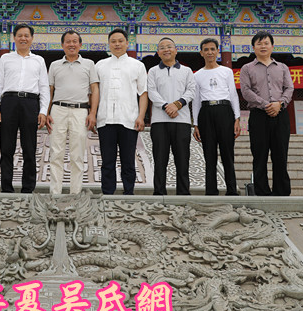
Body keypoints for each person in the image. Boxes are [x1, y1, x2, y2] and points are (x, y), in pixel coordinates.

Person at [0, 24, 50, 193]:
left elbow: (44, 87)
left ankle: (28, 188)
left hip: (30, 103)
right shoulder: (5, 58)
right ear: (14, 38)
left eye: (26, 35)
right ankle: (6, 188)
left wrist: (43, 111)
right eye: (20, 35)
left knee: (29, 148)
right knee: (6, 148)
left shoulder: (39, 60)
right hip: (9, 102)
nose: (23, 38)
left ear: (31, 38)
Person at [240, 30, 294, 196]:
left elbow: (289, 88)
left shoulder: (282, 67)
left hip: (280, 114)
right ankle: (262, 192)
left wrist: (280, 103)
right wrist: (266, 105)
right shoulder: (247, 68)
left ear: (272, 46)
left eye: (266, 43)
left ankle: (282, 192)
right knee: (259, 155)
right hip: (258, 115)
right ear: (253, 47)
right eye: (259, 43)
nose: (263, 46)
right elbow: (246, 91)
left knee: (280, 155)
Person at [95, 28, 148, 195]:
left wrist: (141, 116)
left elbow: (143, 93)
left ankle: (128, 193)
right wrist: (93, 114)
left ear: (127, 43)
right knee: (107, 161)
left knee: (128, 161)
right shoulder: (100, 65)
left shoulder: (137, 65)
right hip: (105, 120)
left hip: (129, 119)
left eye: (120, 41)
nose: (117, 44)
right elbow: (94, 93)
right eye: (113, 41)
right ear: (109, 44)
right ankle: (107, 194)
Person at [46, 30, 99, 195]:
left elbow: (95, 89)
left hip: (80, 111)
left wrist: (93, 113)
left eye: (75, 41)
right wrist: (46, 112)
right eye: (68, 41)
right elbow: (49, 90)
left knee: (77, 154)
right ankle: (55, 193)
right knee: (56, 153)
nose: (71, 44)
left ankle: (75, 193)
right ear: (62, 45)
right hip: (58, 110)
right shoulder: (54, 65)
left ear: (80, 44)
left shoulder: (89, 64)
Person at [192, 38, 241, 196]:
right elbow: (196, 100)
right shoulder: (197, 75)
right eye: (206, 50)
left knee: (227, 154)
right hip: (206, 112)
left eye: (213, 49)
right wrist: (196, 124)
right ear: (201, 53)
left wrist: (237, 118)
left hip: (224, 111)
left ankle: (232, 191)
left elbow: (233, 95)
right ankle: (211, 191)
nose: (210, 52)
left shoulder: (226, 72)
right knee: (209, 155)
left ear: (218, 51)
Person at [147, 37, 196, 196]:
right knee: (160, 160)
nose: (166, 50)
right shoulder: (153, 71)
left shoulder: (186, 71)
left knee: (182, 159)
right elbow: (151, 92)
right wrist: (166, 106)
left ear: (176, 50)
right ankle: (159, 193)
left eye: (169, 46)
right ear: (158, 52)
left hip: (181, 120)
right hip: (159, 121)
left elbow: (191, 90)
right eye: (162, 47)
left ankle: (183, 193)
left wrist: (178, 104)